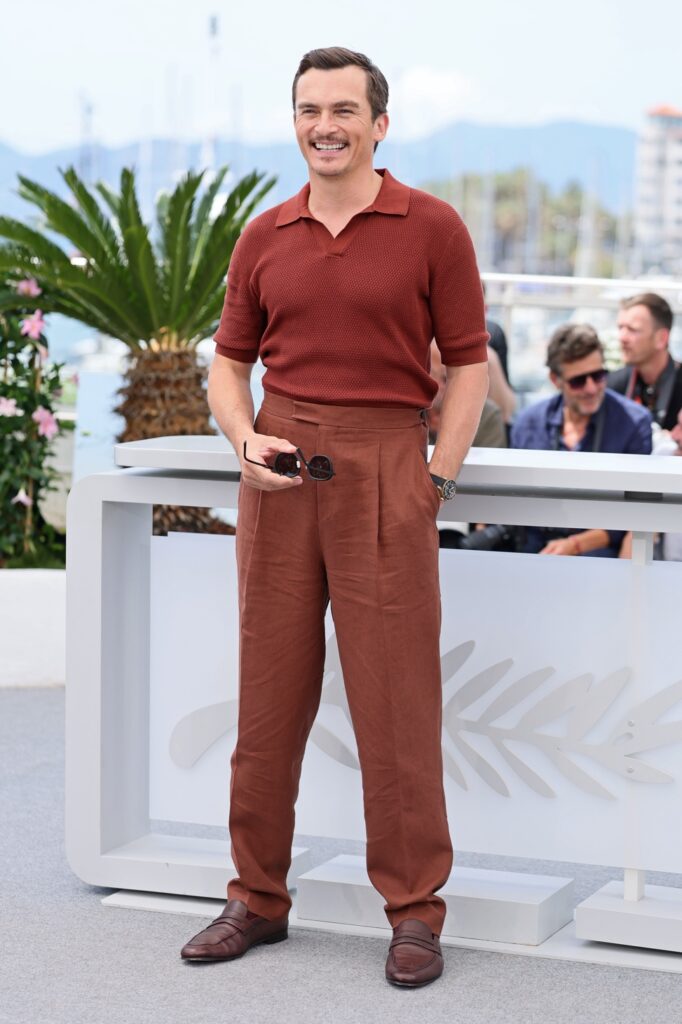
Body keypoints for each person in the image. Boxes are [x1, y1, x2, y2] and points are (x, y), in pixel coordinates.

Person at [180, 47, 489, 988]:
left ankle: (415, 911)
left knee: (397, 705)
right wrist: (244, 439)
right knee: (267, 701)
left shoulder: (433, 228)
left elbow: (467, 364)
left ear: (379, 124)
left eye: (345, 109)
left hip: (390, 468)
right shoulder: (264, 235)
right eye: (310, 109)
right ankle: (256, 899)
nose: (326, 125)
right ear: (296, 122)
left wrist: (435, 481)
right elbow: (228, 365)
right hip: (278, 473)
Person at [511, 323, 652, 556]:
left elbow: (636, 512)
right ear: (555, 380)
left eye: (598, 376)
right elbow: (513, 502)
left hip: (600, 553)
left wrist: (575, 545)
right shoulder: (528, 423)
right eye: (578, 381)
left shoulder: (634, 422)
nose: (591, 388)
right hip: (533, 547)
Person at [609, 293, 681, 430]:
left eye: (632, 329)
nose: (622, 337)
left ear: (661, 338)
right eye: (620, 328)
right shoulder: (612, 386)